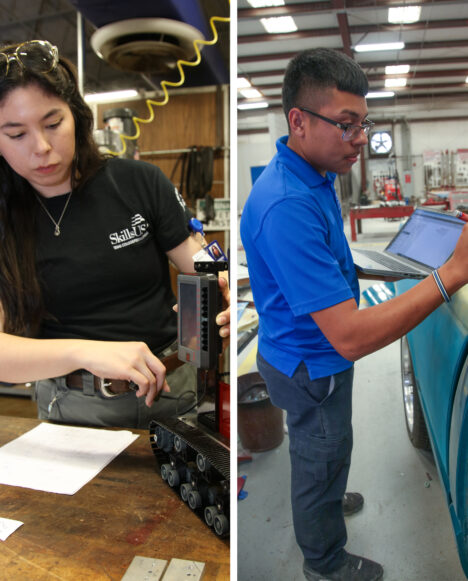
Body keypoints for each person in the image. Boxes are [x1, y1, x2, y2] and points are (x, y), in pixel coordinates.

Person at [240, 47, 468, 581]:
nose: (360, 139)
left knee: (323, 448)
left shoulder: (312, 176)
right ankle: (325, 560)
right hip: (310, 364)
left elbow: (322, 260)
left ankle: (324, 494)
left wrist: (371, 267)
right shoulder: (287, 203)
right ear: (298, 121)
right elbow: (349, 337)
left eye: (363, 124)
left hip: (301, 351)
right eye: (346, 125)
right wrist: (449, 275)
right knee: (322, 449)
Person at [0, 39, 230, 429]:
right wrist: (87, 353)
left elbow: (197, 255)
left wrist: (220, 281)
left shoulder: (139, 182)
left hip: (174, 390)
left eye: (53, 124)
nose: (41, 148)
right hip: (73, 409)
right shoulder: (6, 218)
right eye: (16, 134)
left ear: (76, 115)